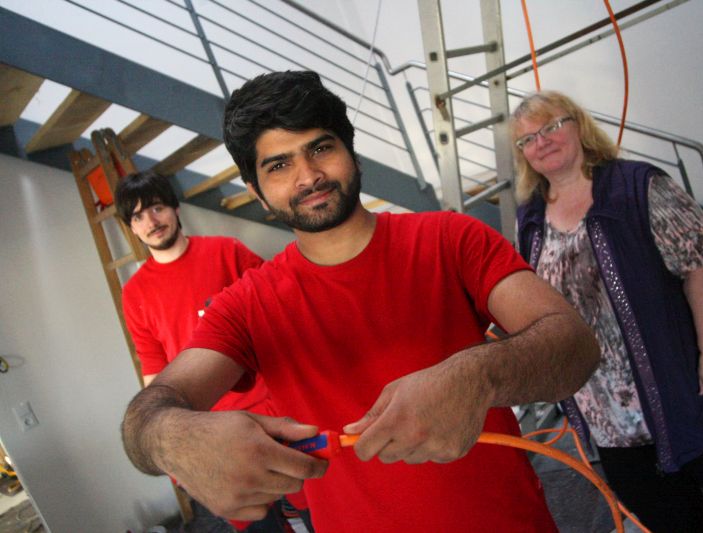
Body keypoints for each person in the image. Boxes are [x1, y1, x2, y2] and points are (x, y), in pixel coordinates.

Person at [120, 70, 600, 533]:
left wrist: (479, 374)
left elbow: (573, 343)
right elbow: (147, 415)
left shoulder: (450, 238)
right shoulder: (246, 305)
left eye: (321, 148)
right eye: (279, 165)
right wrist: (174, 439)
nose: (308, 176)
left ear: (350, 152)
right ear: (257, 193)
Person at [512, 90, 703, 532]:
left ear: (579, 127)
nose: (542, 142)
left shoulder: (637, 186)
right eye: (528, 139)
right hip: (609, 418)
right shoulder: (530, 217)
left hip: (687, 387)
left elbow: (701, 264)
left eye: (552, 126)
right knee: (667, 521)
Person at [116, 171, 310, 532]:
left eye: (156, 208)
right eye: (138, 216)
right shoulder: (135, 294)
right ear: (131, 228)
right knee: (260, 525)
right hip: (216, 435)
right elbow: (155, 372)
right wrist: (171, 445)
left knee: (316, 510)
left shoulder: (227, 251)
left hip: (278, 411)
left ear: (174, 208)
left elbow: (283, 308)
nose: (150, 222)